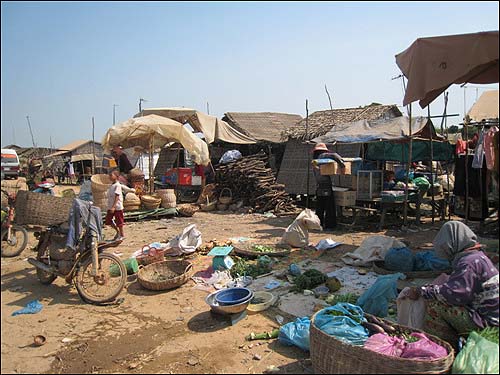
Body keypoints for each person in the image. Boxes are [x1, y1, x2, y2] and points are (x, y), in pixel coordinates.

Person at [401, 221, 498, 348]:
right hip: (490, 317)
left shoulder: (468, 263)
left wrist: (422, 291)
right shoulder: (478, 256)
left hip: (489, 324)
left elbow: (454, 294)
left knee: (436, 305)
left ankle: (446, 349)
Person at [311, 143, 345, 230]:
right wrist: (342, 164)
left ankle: (319, 225)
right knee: (330, 207)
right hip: (326, 186)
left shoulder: (315, 161)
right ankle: (330, 226)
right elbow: (334, 155)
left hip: (319, 187)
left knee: (320, 208)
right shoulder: (322, 156)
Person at [104, 169, 125, 241]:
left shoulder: (117, 185)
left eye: (111, 175)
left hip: (117, 207)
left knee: (119, 222)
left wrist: (113, 207)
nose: (109, 177)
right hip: (111, 206)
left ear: (116, 176)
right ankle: (118, 232)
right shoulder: (112, 185)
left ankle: (122, 235)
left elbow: (117, 196)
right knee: (108, 220)